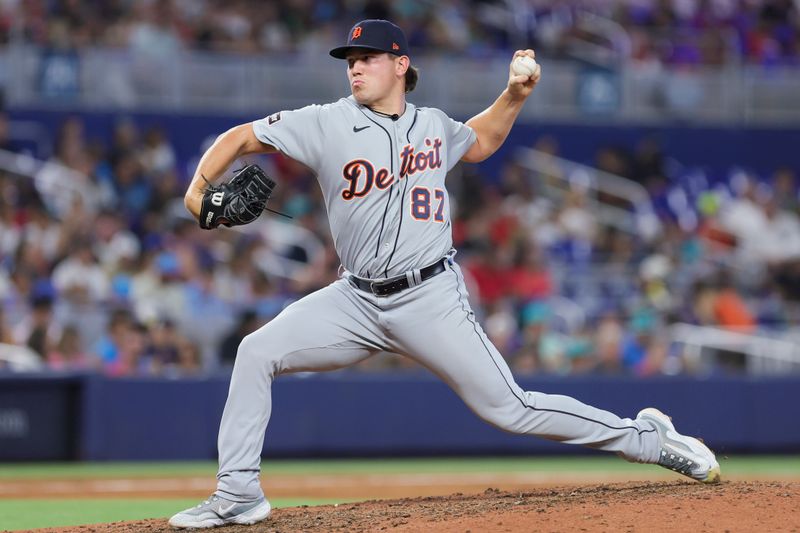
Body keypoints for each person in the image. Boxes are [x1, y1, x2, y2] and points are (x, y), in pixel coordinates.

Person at [169, 19, 720, 529]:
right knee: (256, 352)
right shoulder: (326, 121)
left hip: (429, 296)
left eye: (368, 57)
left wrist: (515, 96)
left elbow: (481, 140)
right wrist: (196, 193)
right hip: (353, 299)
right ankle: (238, 492)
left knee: (511, 409)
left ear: (400, 64)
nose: (355, 67)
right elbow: (241, 137)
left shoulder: (433, 126)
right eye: (349, 59)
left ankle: (648, 439)